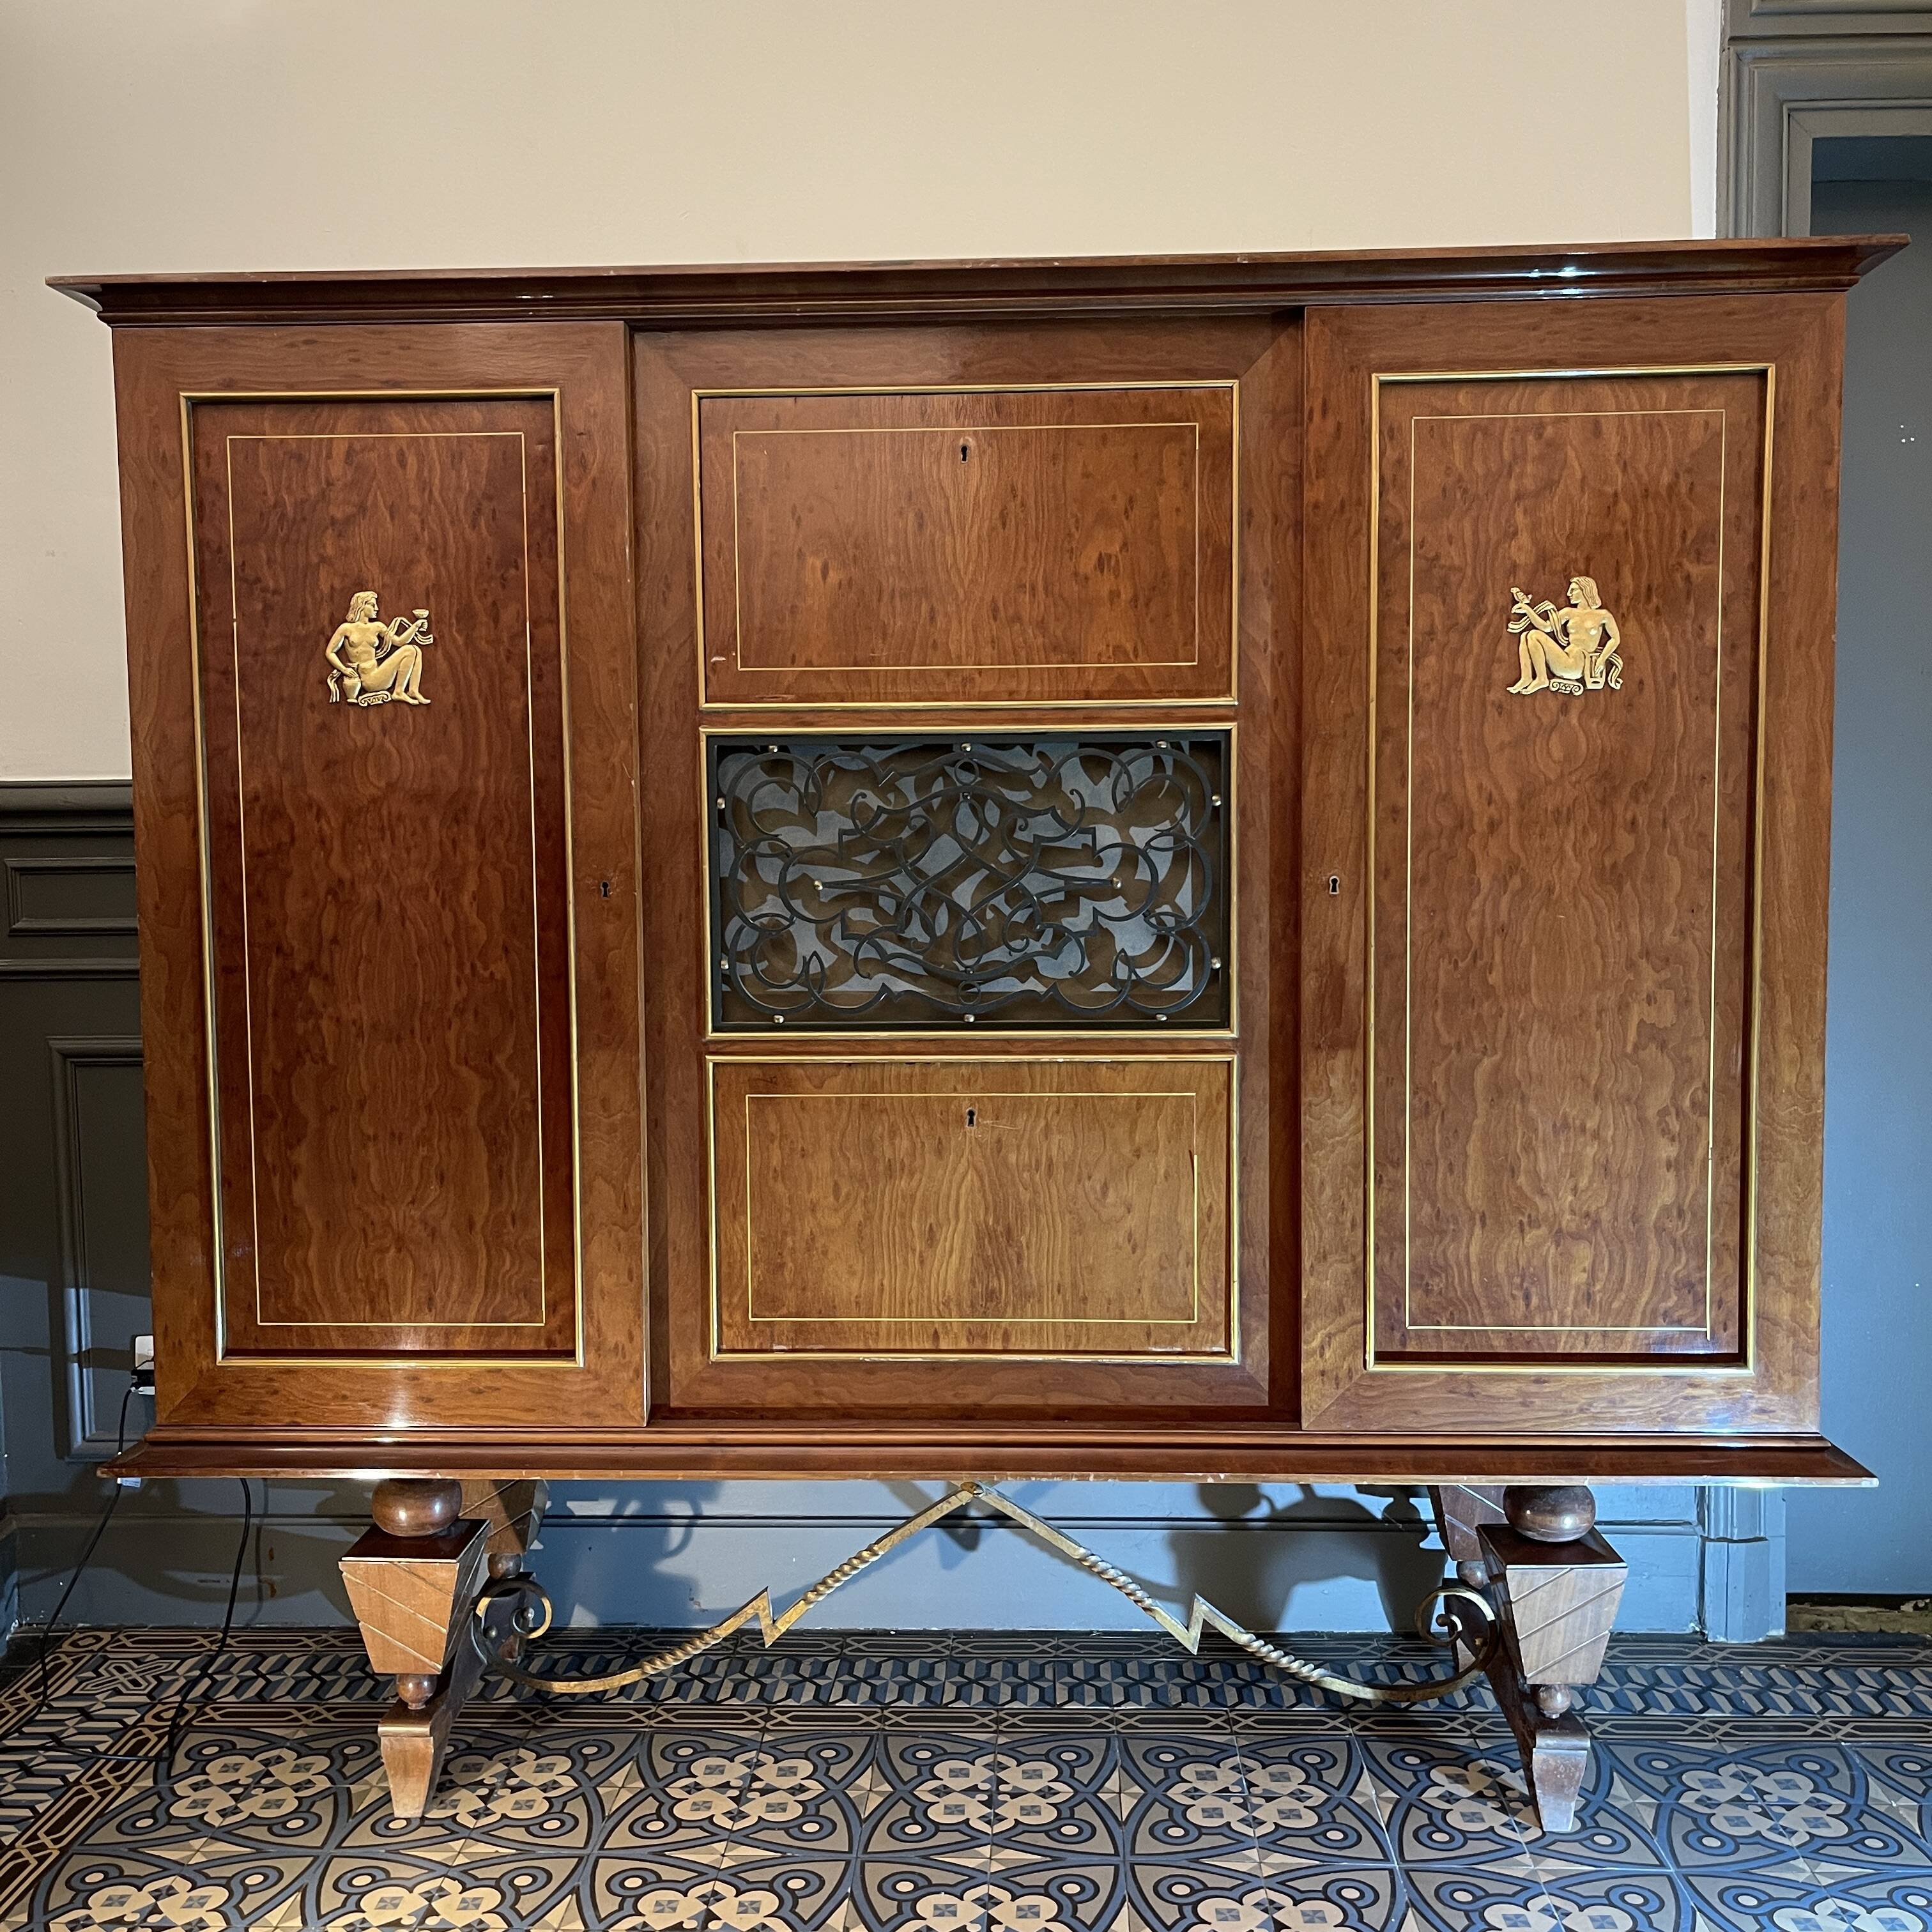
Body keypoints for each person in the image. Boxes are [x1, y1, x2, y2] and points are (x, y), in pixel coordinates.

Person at [1506, 576, 1621, 694]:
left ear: (1585, 590)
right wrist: (1528, 610)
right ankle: (1527, 678)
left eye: (1573, 590)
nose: (1568, 594)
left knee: (1533, 635)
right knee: (1527, 635)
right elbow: (1546, 627)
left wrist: (1602, 659)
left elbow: (1615, 639)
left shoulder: (1603, 616)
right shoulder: (1569, 612)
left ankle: (1541, 679)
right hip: (1565, 658)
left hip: (1578, 665)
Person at [325, 591, 431, 705]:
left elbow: (399, 642)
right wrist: (344, 669)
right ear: (361, 605)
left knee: (414, 650)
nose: (377, 609)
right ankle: (400, 692)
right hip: (364, 679)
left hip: (378, 674)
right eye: (372, 605)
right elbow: (330, 652)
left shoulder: (378, 626)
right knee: (411, 650)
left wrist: (415, 626)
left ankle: (411, 691)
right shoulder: (346, 628)